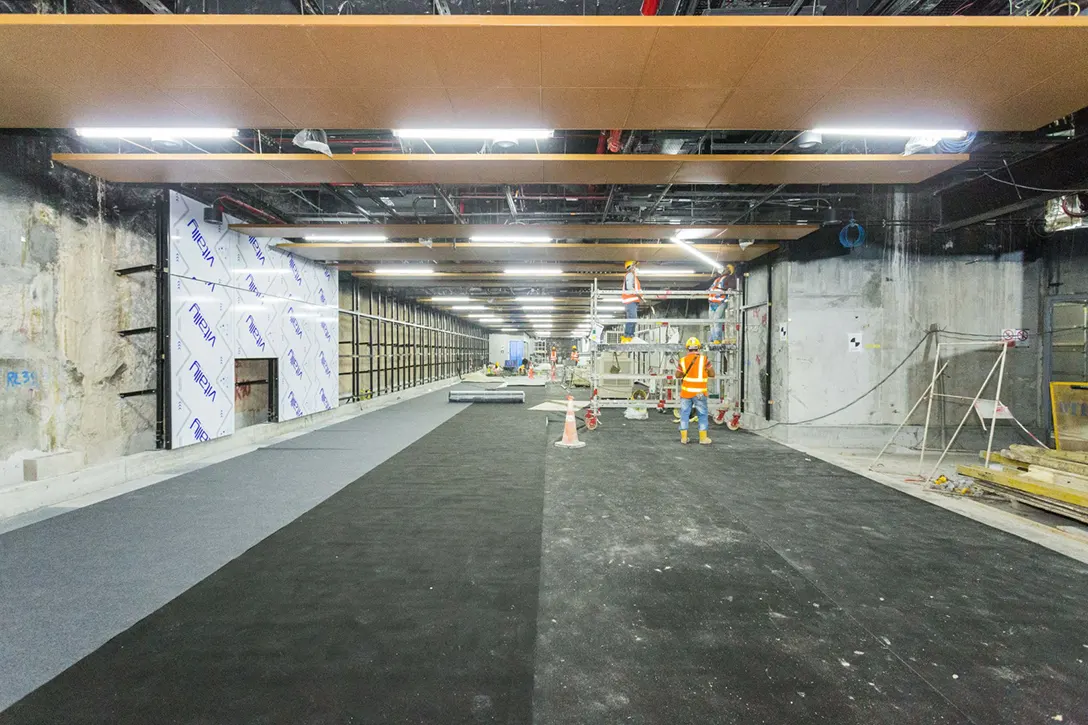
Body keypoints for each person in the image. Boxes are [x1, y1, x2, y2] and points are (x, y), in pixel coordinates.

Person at [676, 336, 715, 445]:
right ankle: (703, 439)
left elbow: (677, 375)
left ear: (687, 348)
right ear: (698, 347)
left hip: (686, 393)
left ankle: (684, 438)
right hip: (700, 393)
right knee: (702, 414)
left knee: (684, 414)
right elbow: (712, 374)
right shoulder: (704, 360)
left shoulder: (682, 361)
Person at [708, 263, 736, 344]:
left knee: (717, 321)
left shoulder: (728, 278)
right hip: (712, 303)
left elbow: (732, 285)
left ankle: (717, 339)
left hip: (720, 302)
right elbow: (710, 288)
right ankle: (713, 339)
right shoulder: (717, 280)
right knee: (711, 322)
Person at [621, 260, 642, 343]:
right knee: (632, 318)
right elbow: (630, 287)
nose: (636, 268)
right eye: (634, 266)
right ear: (630, 267)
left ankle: (630, 335)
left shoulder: (633, 276)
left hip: (633, 300)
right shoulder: (630, 275)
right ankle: (627, 336)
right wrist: (638, 294)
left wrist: (640, 297)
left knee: (633, 318)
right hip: (630, 301)